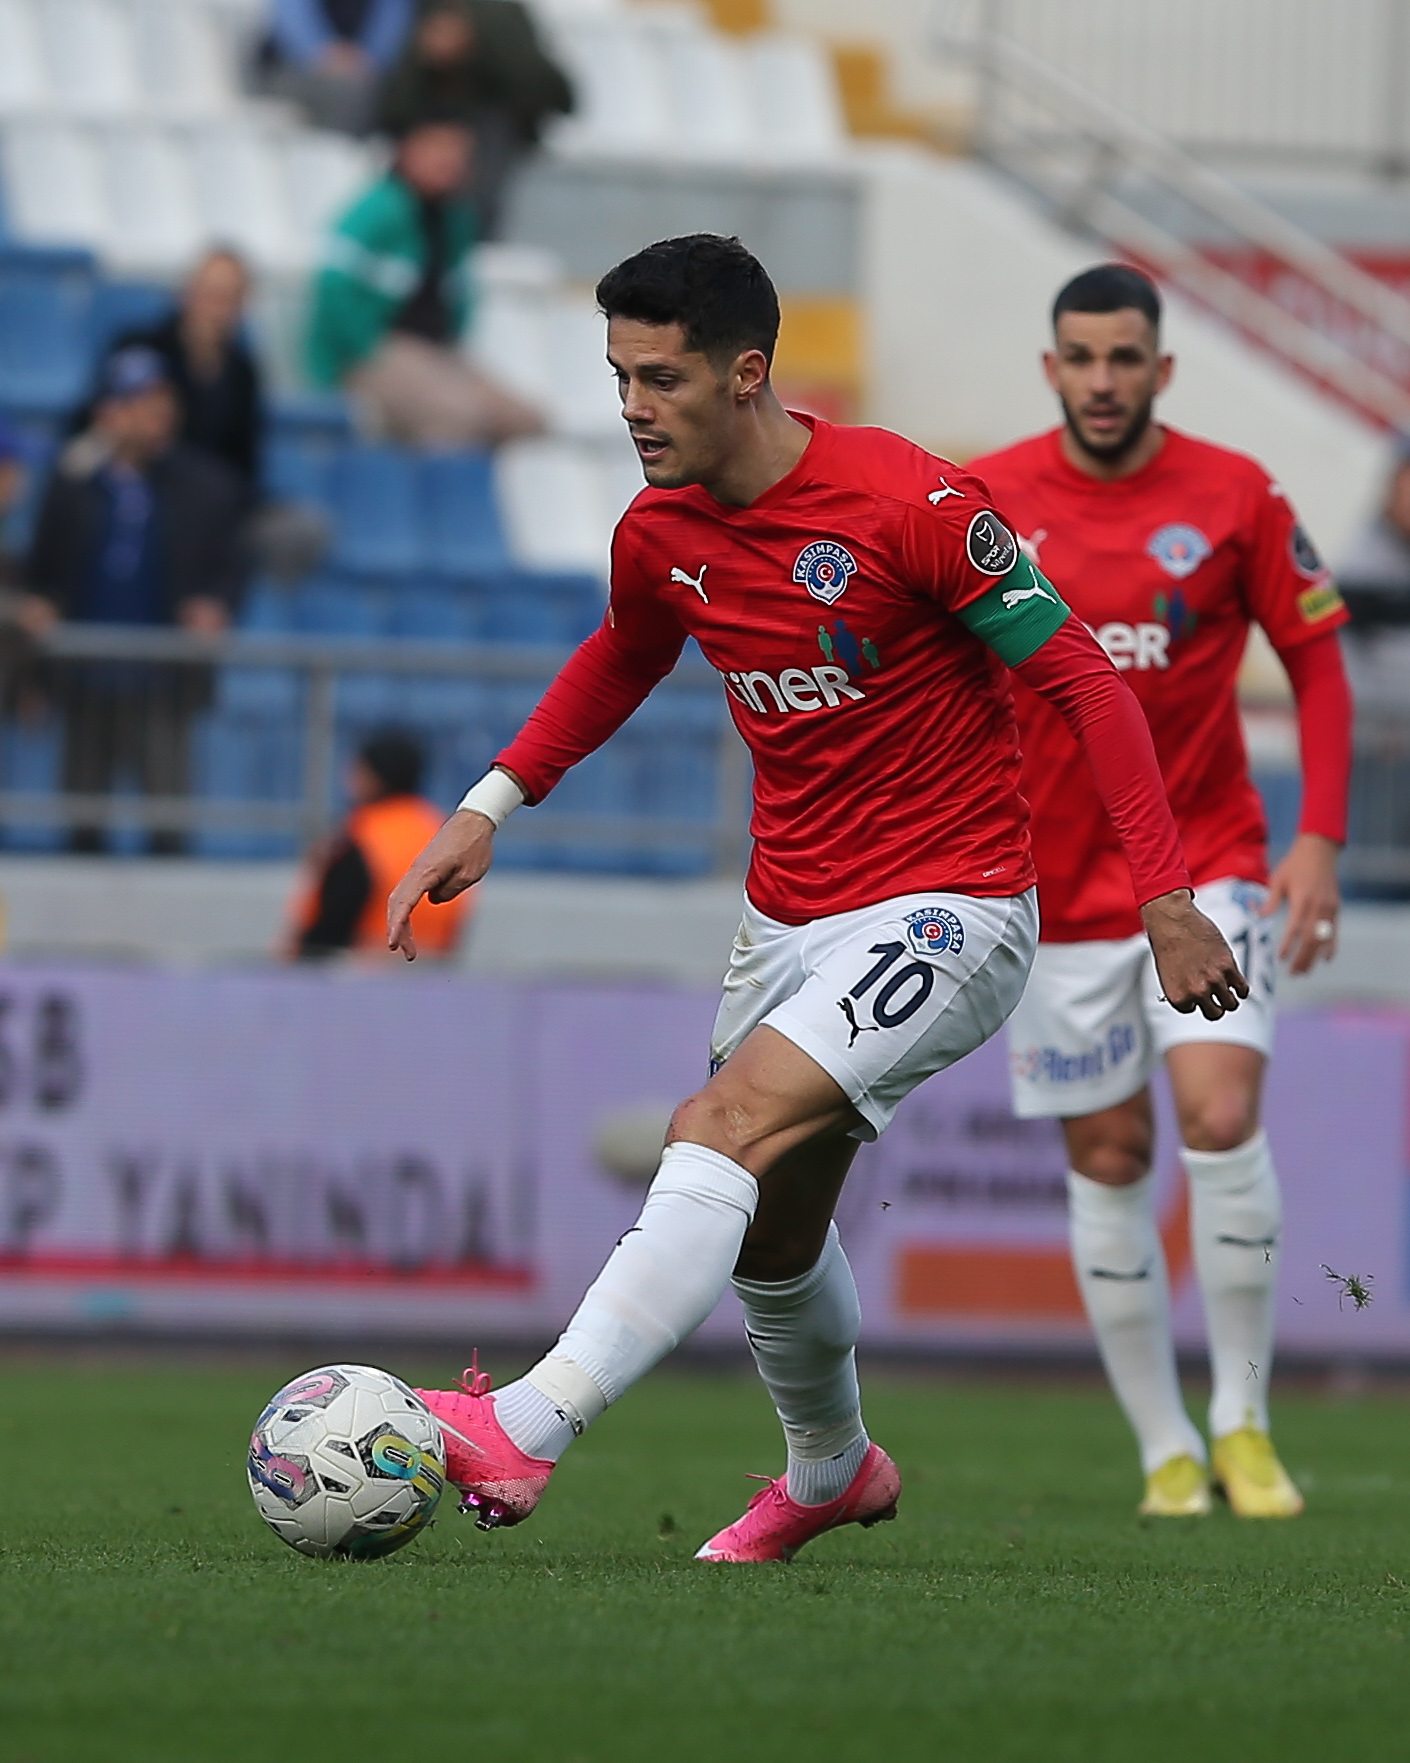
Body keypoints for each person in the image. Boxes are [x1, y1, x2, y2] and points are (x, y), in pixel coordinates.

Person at [384, 234, 1245, 1564]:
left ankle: (524, 1423)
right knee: (771, 1235)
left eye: (661, 379)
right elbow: (623, 653)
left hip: (952, 905)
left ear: (745, 374)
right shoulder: (659, 530)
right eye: (619, 378)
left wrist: (1166, 899)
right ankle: (834, 1468)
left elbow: (1086, 682)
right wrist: (491, 801)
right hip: (786, 918)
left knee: (716, 1124)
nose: (632, 408)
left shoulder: (911, 504)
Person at [968, 264, 1353, 1521]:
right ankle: (1165, 1447)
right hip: (1052, 893)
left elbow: (1318, 664)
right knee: (1111, 1151)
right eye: (1080, 357)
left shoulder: (1238, 494)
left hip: (1211, 862)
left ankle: (1243, 1421)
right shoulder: (987, 500)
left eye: (1124, 357)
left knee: (1220, 1113)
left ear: (1161, 368)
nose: (1102, 380)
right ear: (1051, 368)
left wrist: (1319, 838)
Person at [27, 346, 248, 855]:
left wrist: (215, 604)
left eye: (161, 402)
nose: (154, 414)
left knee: (167, 816)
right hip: (86, 675)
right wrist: (41, 637)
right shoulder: (74, 483)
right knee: (83, 815)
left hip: (162, 677)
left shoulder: (201, 484)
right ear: (108, 412)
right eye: (137, 403)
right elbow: (44, 570)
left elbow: (231, 562)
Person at [306, 115, 543, 447]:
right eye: (438, 148)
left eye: (459, 152)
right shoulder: (374, 211)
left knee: (526, 422)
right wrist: (360, 350)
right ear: (407, 150)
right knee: (456, 417)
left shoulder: (456, 217)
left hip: (437, 350)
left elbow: (459, 292)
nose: (450, 161)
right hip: (375, 350)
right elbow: (333, 292)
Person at [377, 0, 573, 238]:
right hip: (428, 118)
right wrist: (426, 61)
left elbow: (553, 93)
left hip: (492, 125)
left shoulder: (500, 16)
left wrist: (475, 47)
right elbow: (396, 107)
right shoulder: (416, 11)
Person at [289, 729, 471, 958]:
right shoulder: (443, 833)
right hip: (432, 971)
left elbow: (324, 935)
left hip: (359, 971)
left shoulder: (360, 838)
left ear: (371, 777)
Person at [258, 0, 414, 134]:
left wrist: (364, 60)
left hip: (362, 78)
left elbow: (392, 24)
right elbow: (292, 20)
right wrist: (324, 54)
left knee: (353, 94)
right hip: (294, 70)